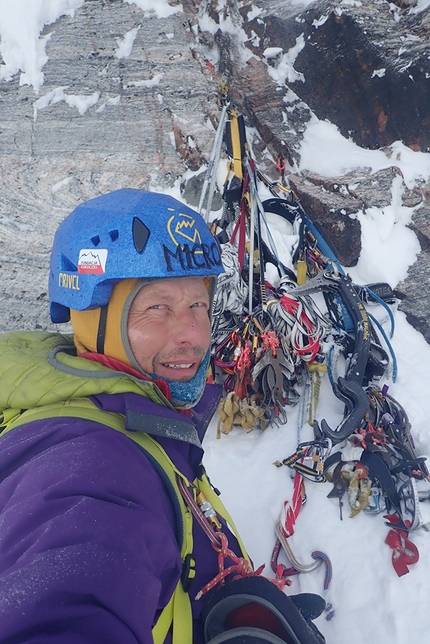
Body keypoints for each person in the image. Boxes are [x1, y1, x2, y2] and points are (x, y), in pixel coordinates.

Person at [0, 189, 326, 644]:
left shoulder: (129, 415)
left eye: (198, 304)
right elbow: (65, 604)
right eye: (157, 307)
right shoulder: (91, 467)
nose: (193, 334)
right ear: (90, 315)